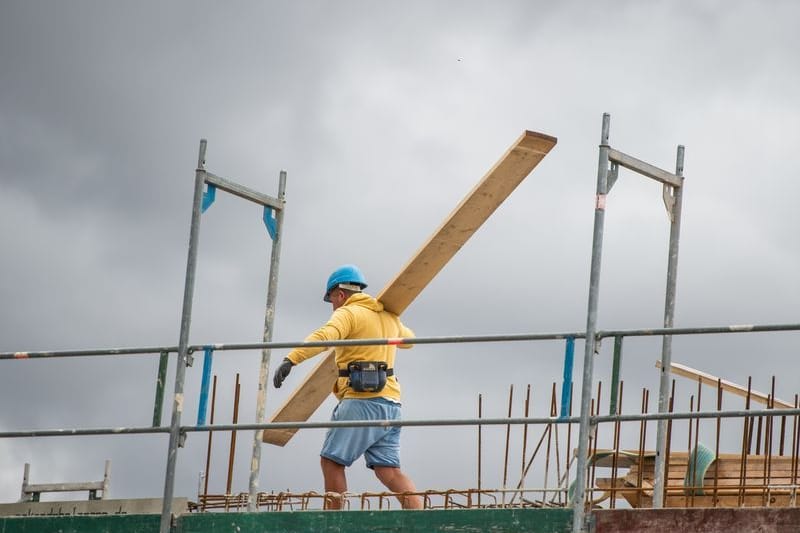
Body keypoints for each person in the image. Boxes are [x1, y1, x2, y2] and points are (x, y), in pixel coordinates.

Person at [273, 264, 422, 510]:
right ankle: (421, 519)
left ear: (340, 294)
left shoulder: (348, 313)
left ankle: (334, 523)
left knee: (331, 462)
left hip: (361, 402)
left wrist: (292, 359)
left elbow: (326, 336)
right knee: (389, 471)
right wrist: (387, 324)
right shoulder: (387, 316)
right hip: (391, 405)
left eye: (331, 298)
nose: (332, 305)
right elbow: (410, 341)